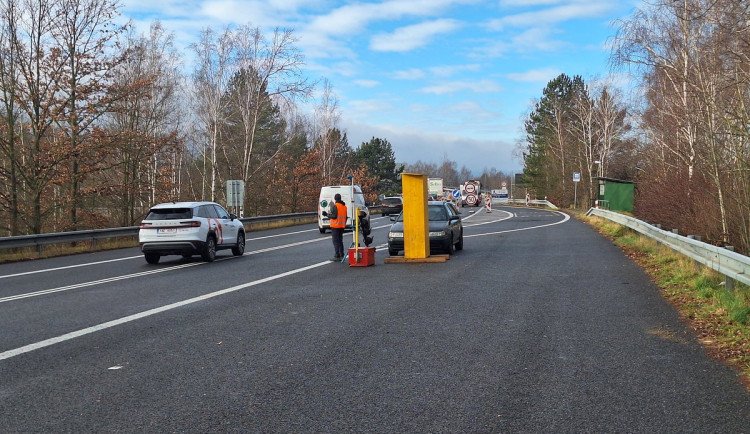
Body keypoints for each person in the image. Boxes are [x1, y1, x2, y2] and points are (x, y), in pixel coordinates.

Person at [322, 193, 347, 262]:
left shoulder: (335, 206)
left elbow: (334, 216)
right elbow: (345, 217)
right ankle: (342, 254)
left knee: (335, 241)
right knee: (340, 241)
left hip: (335, 226)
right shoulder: (344, 206)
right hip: (342, 226)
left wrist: (326, 214)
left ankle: (337, 255)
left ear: (335, 199)